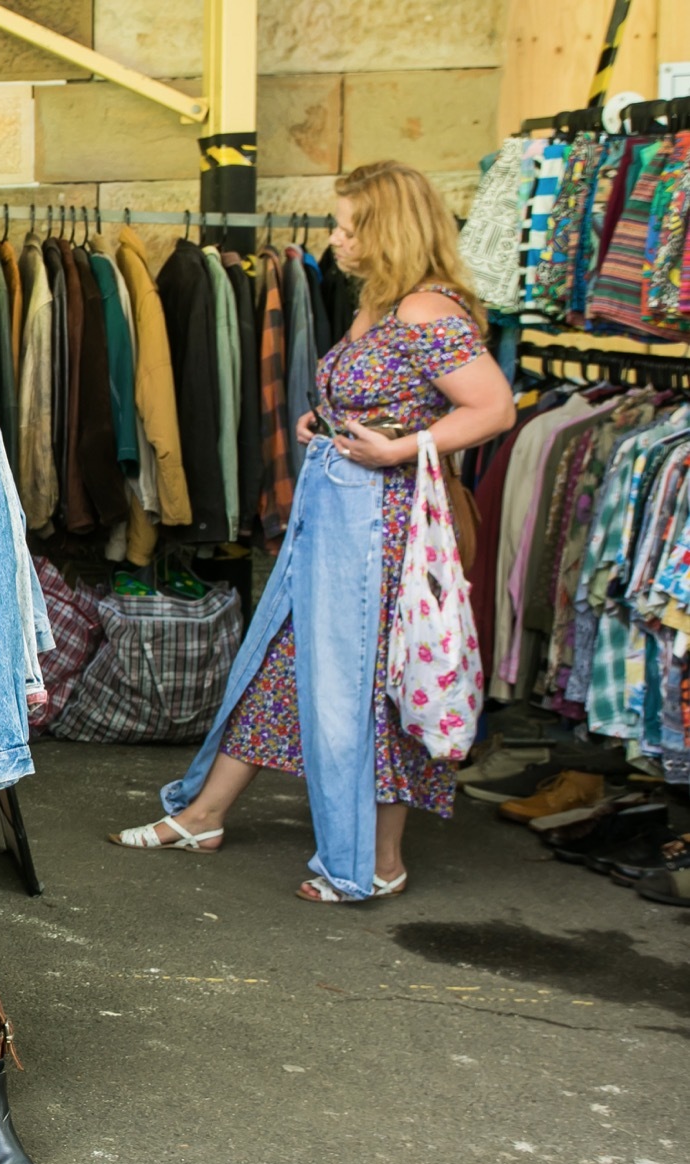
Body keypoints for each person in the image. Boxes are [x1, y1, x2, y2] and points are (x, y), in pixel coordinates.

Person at [108, 160, 515, 903]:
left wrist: (396, 448)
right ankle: (203, 813)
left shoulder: (428, 311)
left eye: (349, 225)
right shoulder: (381, 307)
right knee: (277, 663)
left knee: (371, 687)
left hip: (382, 530)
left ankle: (377, 860)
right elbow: (389, 397)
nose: (336, 237)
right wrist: (323, 423)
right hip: (337, 516)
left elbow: (493, 408)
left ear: (385, 232)